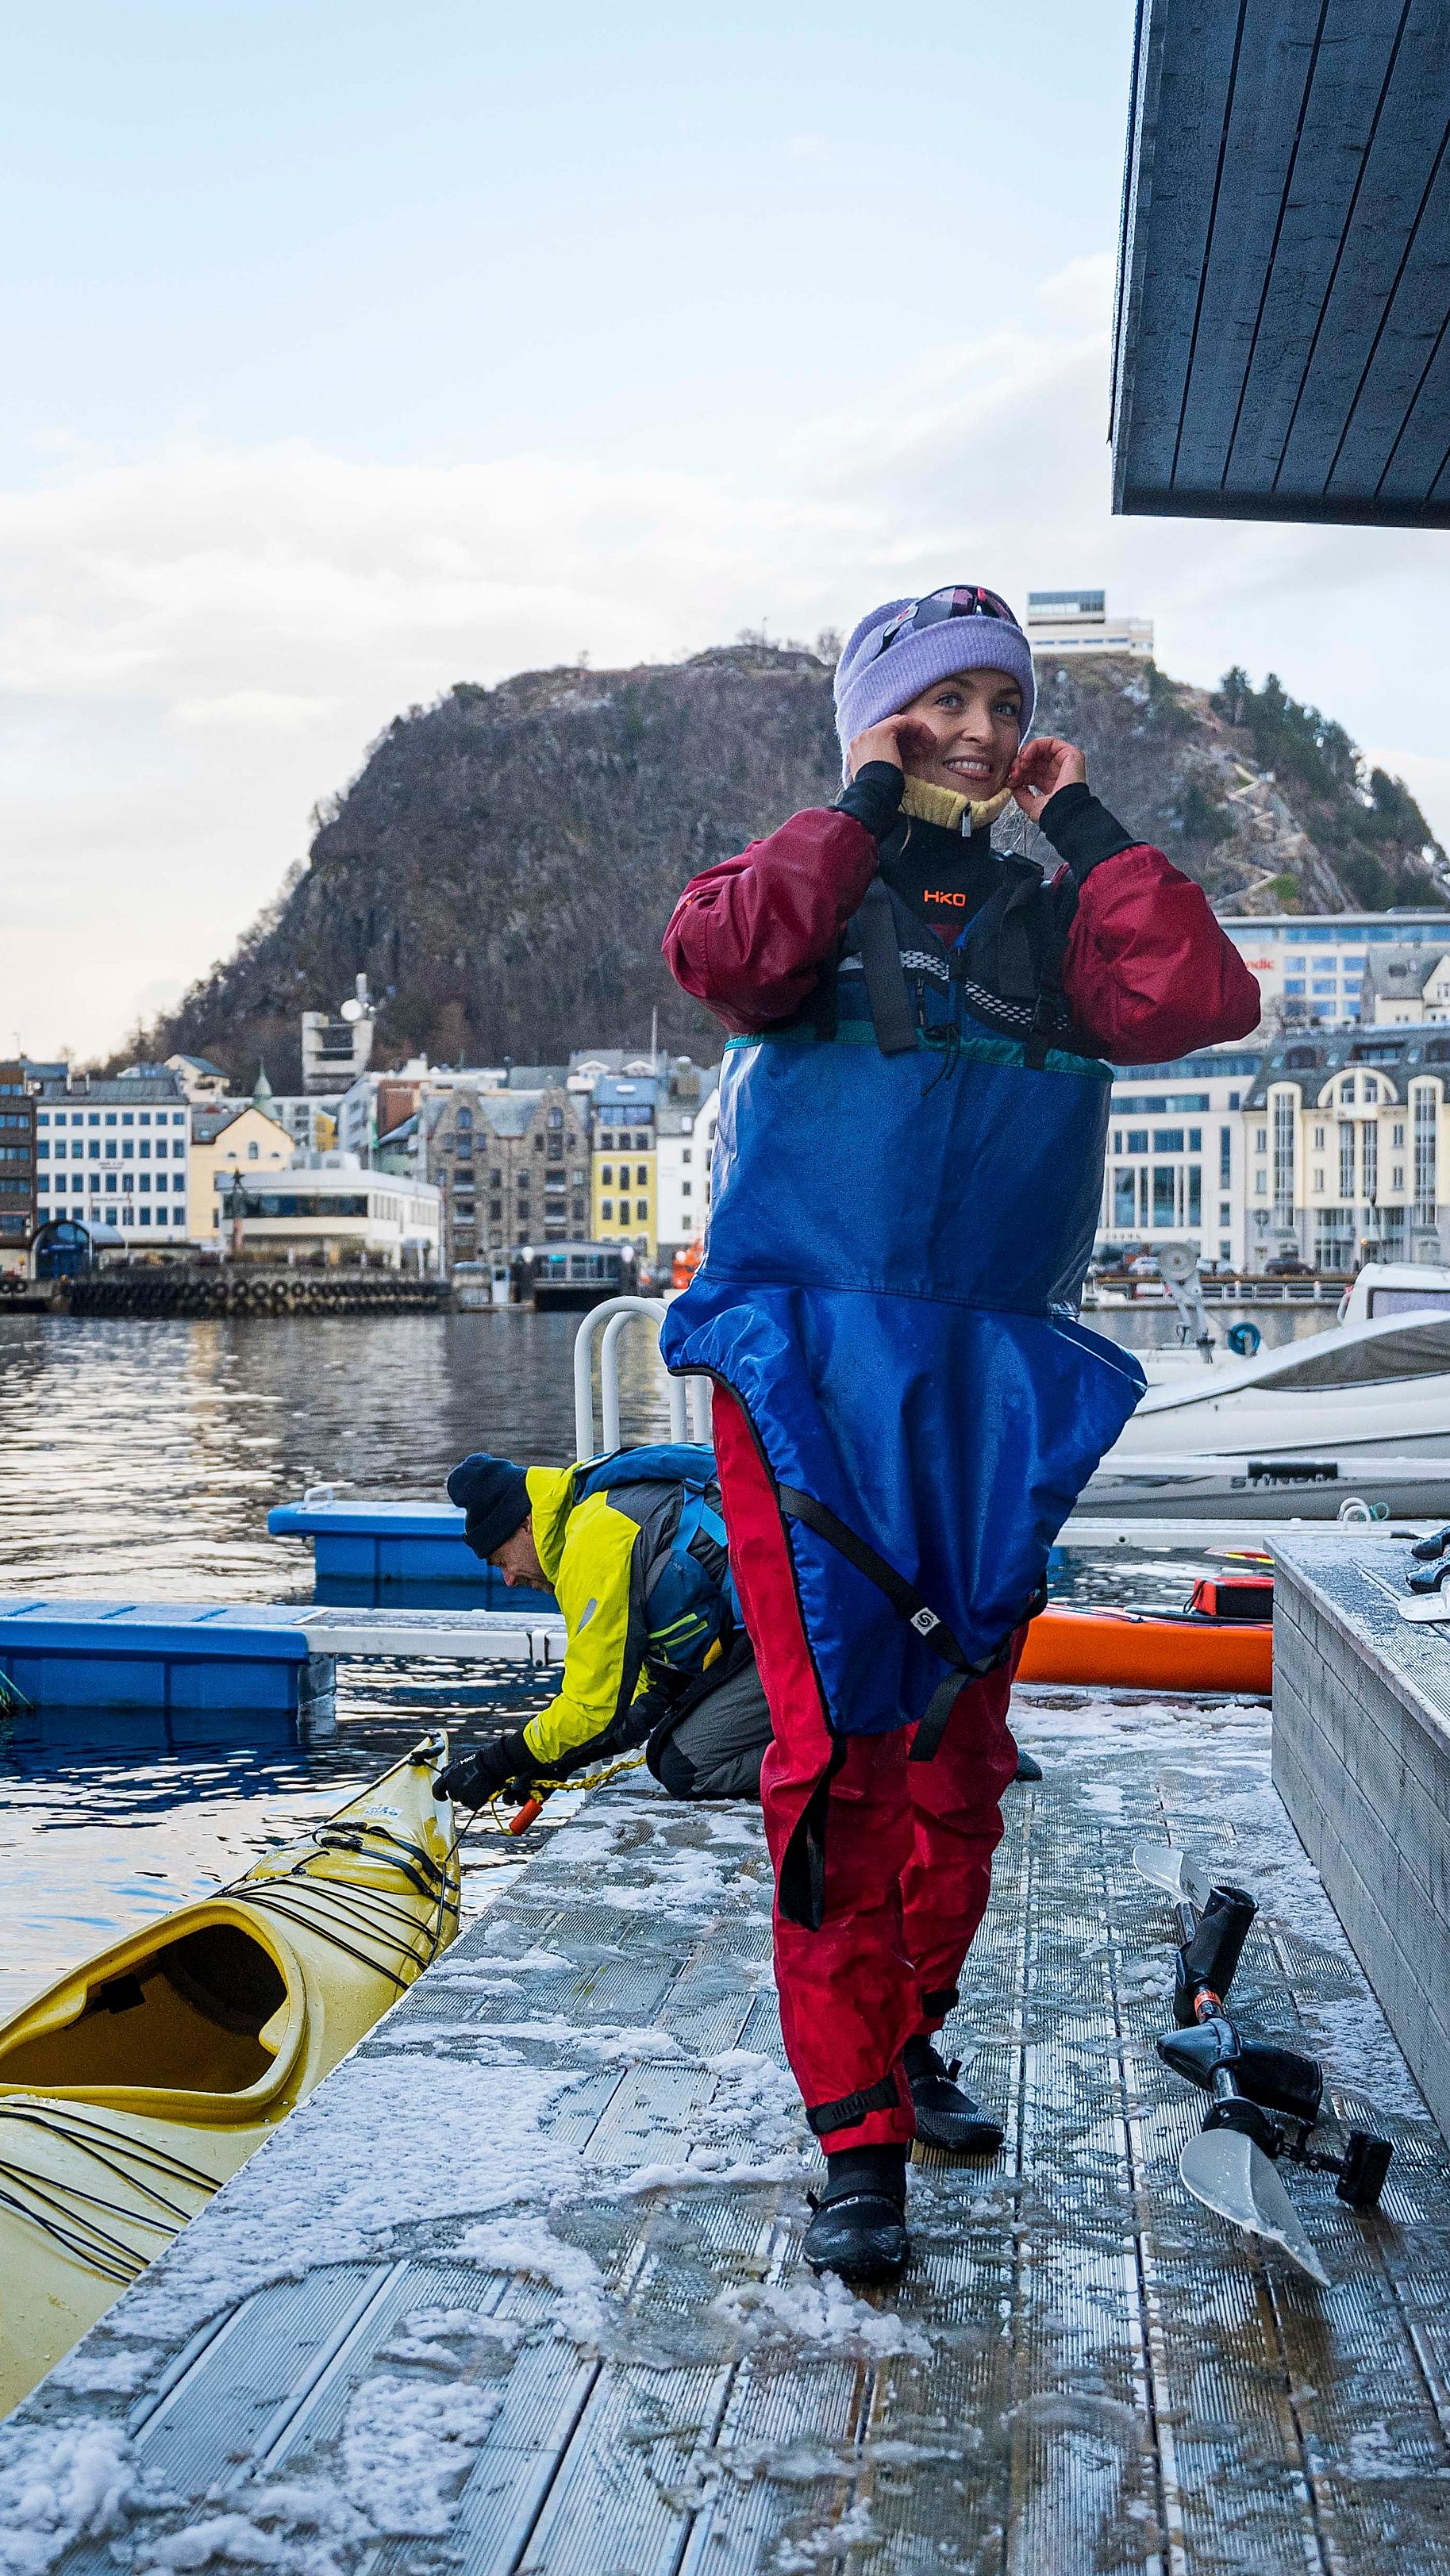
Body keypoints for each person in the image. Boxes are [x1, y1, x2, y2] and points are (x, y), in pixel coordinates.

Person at [657, 585, 1260, 2280]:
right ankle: (853, 2139)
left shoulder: (1053, 917)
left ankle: (904, 2033)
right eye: (946, 700)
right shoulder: (802, 888)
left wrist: (1077, 818)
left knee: (960, 1764)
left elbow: (1201, 996)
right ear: (878, 716)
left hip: (992, 1386)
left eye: (1006, 701)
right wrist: (857, 802)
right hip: (805, 1376)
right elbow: (724, 959)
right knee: (836, 1762)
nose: (982, 730)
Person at [429, 1445, 769, 1813]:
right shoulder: (596, 1506)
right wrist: (554, 1763)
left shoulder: (593, 1538)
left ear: (525, 1523)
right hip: (780, 1615)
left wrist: (494, 1763)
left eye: (502, 1561)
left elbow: (593, 1706)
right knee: (668, 1750)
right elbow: (642, 1697)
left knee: (688, 1766)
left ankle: (833, 1752)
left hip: (795, 1622)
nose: (509, 1580)